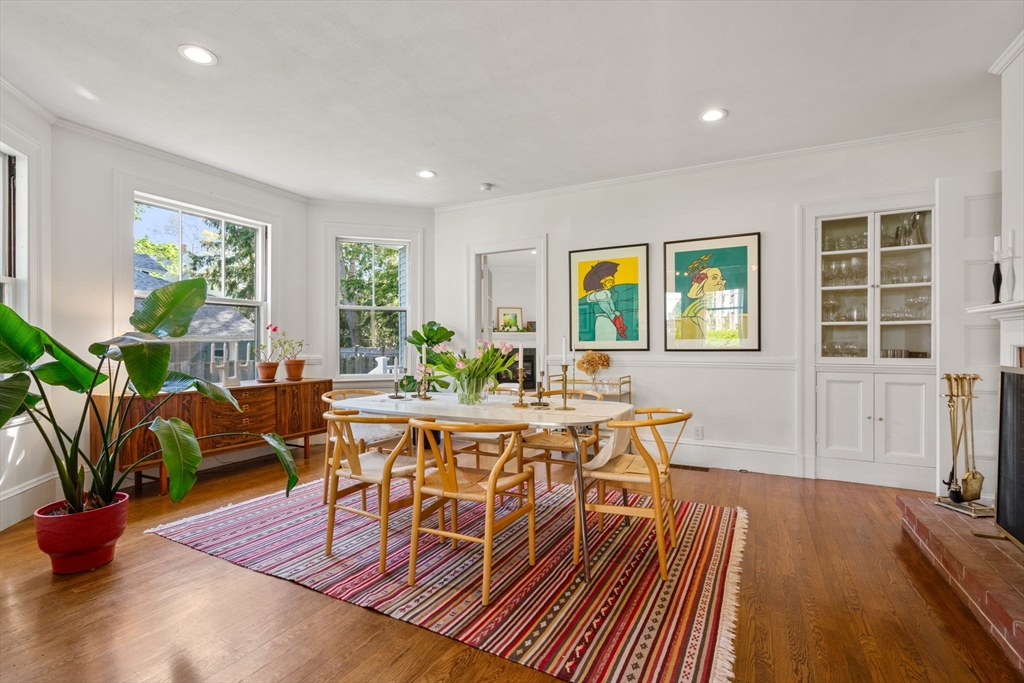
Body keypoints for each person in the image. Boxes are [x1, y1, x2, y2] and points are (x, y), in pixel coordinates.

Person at [584, 269, 627, 341]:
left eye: (612, 282)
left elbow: (613, 306)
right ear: (604, 284)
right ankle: (620, 329)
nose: (611, 283)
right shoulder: (599, 295)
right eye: (609, 282)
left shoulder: (613, 293)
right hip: (603, 320)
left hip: (611, 321)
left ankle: (620, 328)